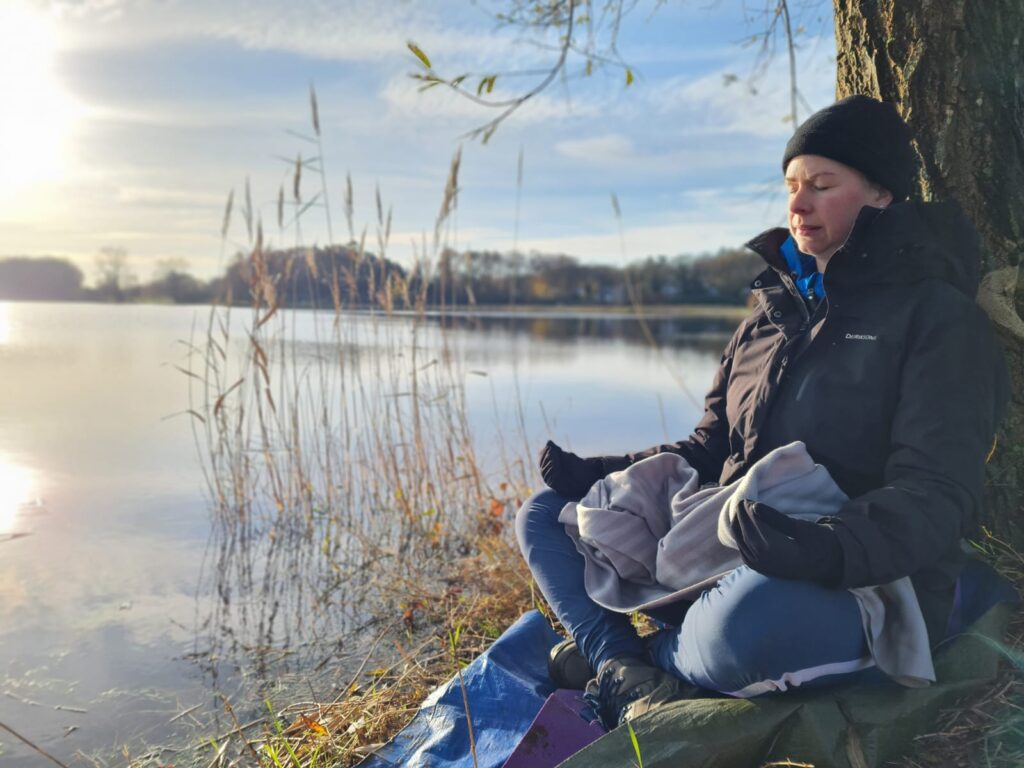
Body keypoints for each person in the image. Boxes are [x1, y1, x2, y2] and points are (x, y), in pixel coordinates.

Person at [515, 95, 1010, 730]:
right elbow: (707, 448)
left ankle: (630, 656)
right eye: (792, 187)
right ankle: (626, 666)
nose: (798, 205)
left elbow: (936, 493)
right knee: (547, 514)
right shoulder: (768, 319)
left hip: (856, 575)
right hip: (725, 543)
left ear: (883, 195)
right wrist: (603, 470)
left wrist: (823, 550)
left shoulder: (937, 321)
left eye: (822, 186)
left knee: (748, 627)